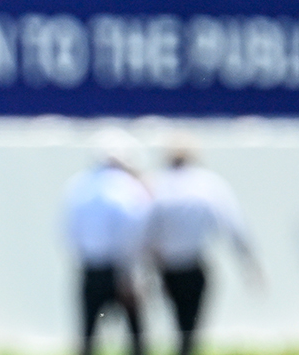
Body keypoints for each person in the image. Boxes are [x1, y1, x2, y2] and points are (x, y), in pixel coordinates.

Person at [144, 138, 262, 355]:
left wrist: (145, 265)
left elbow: (144, 229)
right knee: (191, 326)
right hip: (193, 264)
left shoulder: (156, 183)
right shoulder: (207, 183)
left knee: (179, 321)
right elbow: (234, 223)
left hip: (166, 267)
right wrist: (250, 262)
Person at [63, 149, 152, 355]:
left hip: (91, 268)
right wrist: (132, 272)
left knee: (88, 334)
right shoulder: (129, 187)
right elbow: (136, 232)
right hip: (121, 268)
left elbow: (68, 231)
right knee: (136, 334)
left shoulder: (79, 186)